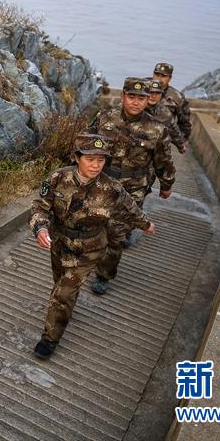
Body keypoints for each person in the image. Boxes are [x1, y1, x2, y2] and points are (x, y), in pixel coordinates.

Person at [30, 133, 154, 360]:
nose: (96, 165)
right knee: (60, 282)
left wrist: (146, 224)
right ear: (77, 158)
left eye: (101, 160)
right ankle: (65, 307)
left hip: (89, 250)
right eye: (90, 159)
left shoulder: (112, 188)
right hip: (59, 243)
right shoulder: (57, 177)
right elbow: (40, 206)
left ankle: (49, 340)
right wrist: (40, 228)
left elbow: (131, 208)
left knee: (63, 293)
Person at [88, 77, 175, 294]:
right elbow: (86, 145)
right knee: (93, 225)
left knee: (115, 234)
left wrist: (166, 184)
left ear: (148, 100)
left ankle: (103, 275)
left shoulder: (157, 129)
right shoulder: (104, 117)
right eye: (132, 97)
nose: (136, 102)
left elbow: (163, 161)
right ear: (123, 96)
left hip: (132, 189)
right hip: (101, 182)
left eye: (141, 98)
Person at [152, 62, 192, 145]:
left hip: (162, 141)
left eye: (163, 76)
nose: (159, 79)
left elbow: (185, 123)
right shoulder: (142, 89)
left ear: (170, 78)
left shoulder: (177, 97)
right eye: (157, 75)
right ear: (153, 74)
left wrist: (179, 142)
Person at [146, 79, 186, 154]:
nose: (153, 96)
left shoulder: (165, 113)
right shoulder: (134, 108)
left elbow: (173, 130)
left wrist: (180, 146)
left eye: (157, 93)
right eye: (150, 92)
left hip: (154, 150)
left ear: (161, 95)